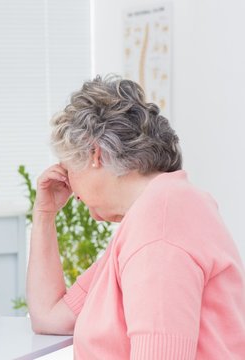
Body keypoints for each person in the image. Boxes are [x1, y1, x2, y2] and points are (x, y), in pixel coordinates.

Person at [27, 75, 245, 359]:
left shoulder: (160, 230)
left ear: (95, 153)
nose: (71, 189)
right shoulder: (158, 212)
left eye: (68, 168)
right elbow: (50, 317)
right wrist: (44, 215)